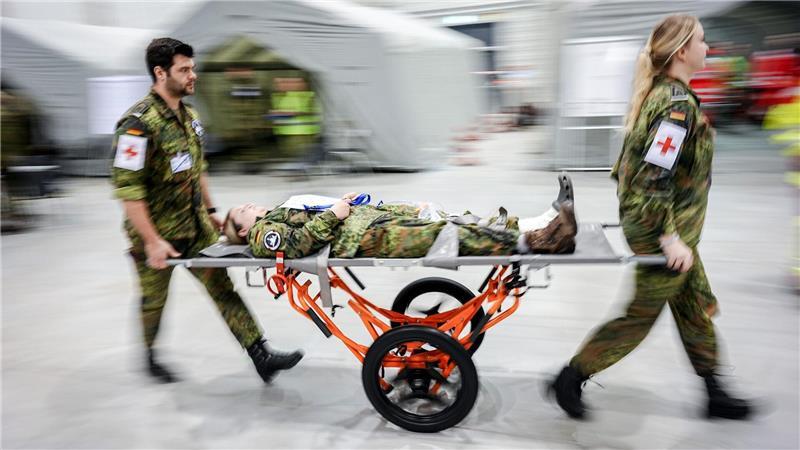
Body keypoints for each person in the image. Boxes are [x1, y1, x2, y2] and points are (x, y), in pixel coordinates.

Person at [549, 15, 751, 420]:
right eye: (702, 41)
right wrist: (668, 238)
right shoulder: (675, 107)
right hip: (660, 230)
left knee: (693, 305)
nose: (708, 48)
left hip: (671, 230)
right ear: (681, 52)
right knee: (641, 315)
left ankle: (715, 392)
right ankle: (571, 376)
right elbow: (653, 178)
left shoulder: (670, 96)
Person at [110, 38, 302, 384]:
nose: (192, 75)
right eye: (184, 70)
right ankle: (150, 356)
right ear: (160, 72)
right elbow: (129, 191)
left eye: (192, 68)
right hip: (155, 234)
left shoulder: (191, 117)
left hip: (196, 227)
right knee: (154, 299)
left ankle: (260, 354)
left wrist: (211, 209)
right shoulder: (137, 125)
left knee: (222, 288)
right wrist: (152, 240)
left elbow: (198, 168)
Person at [222, 190, 578, 260]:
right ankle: (534, 242)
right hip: (367, 237)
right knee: (446, 234)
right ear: (242, 230)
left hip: (372, 221)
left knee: (448, 219)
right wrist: (335, 214)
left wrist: (342, 203)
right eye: (243, 210)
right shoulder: (261, 234)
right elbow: (297, 245)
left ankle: (538, 224)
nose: (249, 205)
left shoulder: (279, 211)